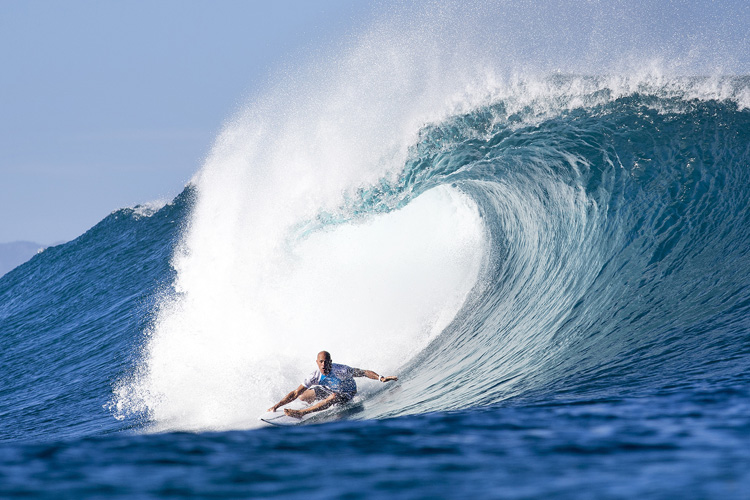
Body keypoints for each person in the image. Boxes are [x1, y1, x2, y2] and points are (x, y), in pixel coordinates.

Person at [267, 351, 398, 418]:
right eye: (321, 362)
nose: (324, 365)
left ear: (331, 362)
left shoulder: (341, 370)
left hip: (347, 393)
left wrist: (381, 378)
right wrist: (276, 406)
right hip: (329, 389)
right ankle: (315, 405)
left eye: (326, 362)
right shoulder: (314, 376)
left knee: (333, 396)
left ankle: (302, 413)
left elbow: (363, 372)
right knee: (302, 396)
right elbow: (295, 393)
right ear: (317, 362)